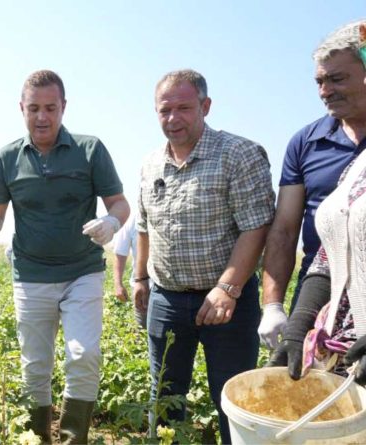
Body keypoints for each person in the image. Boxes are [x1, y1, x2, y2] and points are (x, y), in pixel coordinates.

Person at [0, 69, 130, 444]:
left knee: (84, 354)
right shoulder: (8, 156)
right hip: (29, 276)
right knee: (35, 365)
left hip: (82, 272)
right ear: (21, 109)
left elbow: (120, 204)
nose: (42, 117)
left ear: (64, 107)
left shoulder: (90, 149)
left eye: (50, 107)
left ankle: (74, 438)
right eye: (33, 108)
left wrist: (111, 221)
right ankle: (37, 437)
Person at [133, 69, 274, 444]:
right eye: (164, 110)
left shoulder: (239, 153)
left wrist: (227, 288)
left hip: (228, 301)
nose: (173, 119)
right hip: (166, 298)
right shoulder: (150, 164)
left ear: (205, 106)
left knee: (232, 398)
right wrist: (140, 278)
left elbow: (255, 227)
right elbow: (143, 227)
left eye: (184, 108)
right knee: (164, 396)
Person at [268, 22, 366, 390]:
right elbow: (331, 249)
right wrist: (297, 320)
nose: (325, 92)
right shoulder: (352, 167)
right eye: (319, 82)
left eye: (338, 79)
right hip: (336, 320)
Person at [112, 212, 147, 330]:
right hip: (142, 287)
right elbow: (120, 253)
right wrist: (118, 284)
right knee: (143, 329)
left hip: (169, 288)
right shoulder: (132, 220)